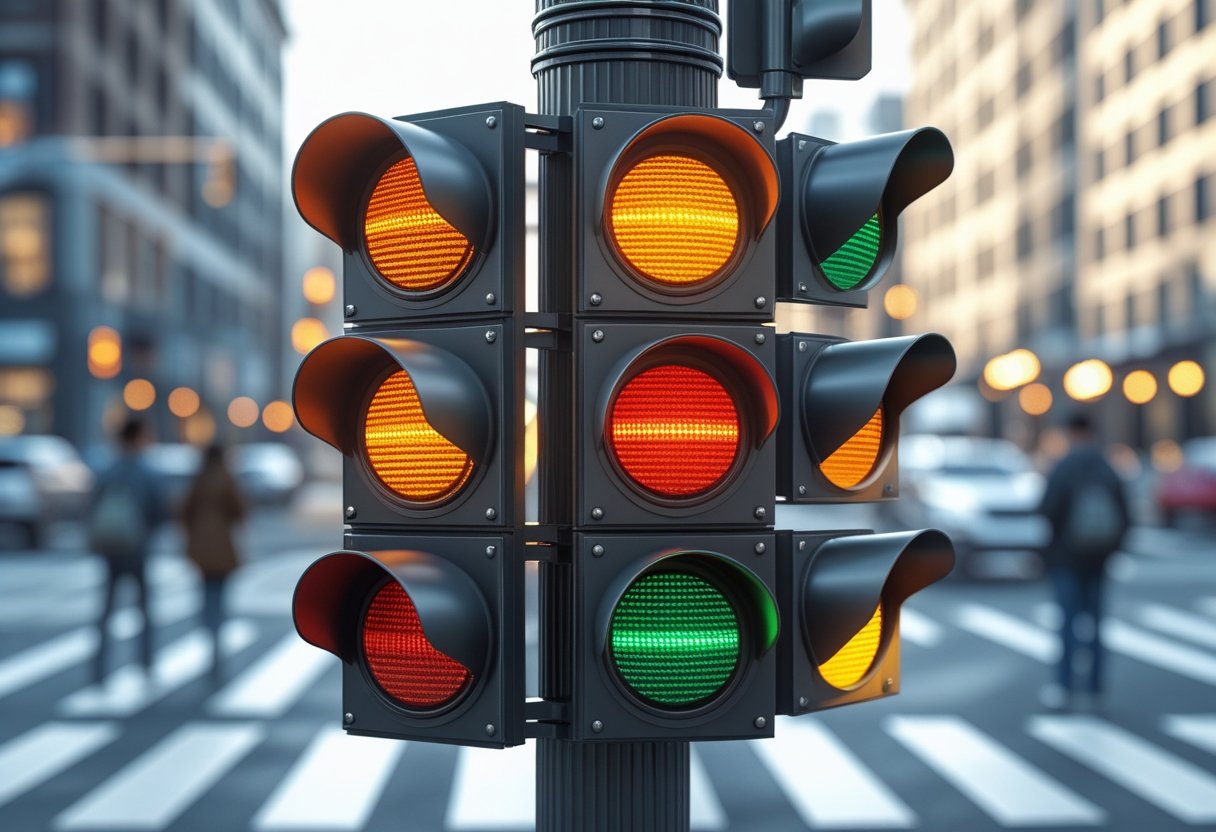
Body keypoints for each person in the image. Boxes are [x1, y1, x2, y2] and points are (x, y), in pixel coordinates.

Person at [1037, 412, 1131, 710]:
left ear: (1070, 433)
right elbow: (1126, 515)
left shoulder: (1063, 467)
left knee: (1068, 624)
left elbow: (1047, 509)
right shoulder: (1107, 466)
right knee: (1096, 625)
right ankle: (1095, 688)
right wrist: (1111, 550)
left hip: (1066, 559)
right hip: (1098, 559)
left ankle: (1065, 687)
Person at [87, 416, 167, 683]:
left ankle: (99, 669)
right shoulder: (147, 472)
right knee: (143, 609)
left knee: (106, 610)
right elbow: (159, 510)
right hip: (138, 548)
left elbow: (91, 507)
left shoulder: (106, 469)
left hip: (111, 547)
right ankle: (145, 664)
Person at [179, 443, 247, 682]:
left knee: (206, 594)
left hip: (201, 549)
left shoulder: (198, 481)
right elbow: (240, 512)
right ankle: (217, 640)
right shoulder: (226, 480)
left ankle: (209, 632)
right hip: (223, 548)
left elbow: (183, 512)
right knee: (220, 595)